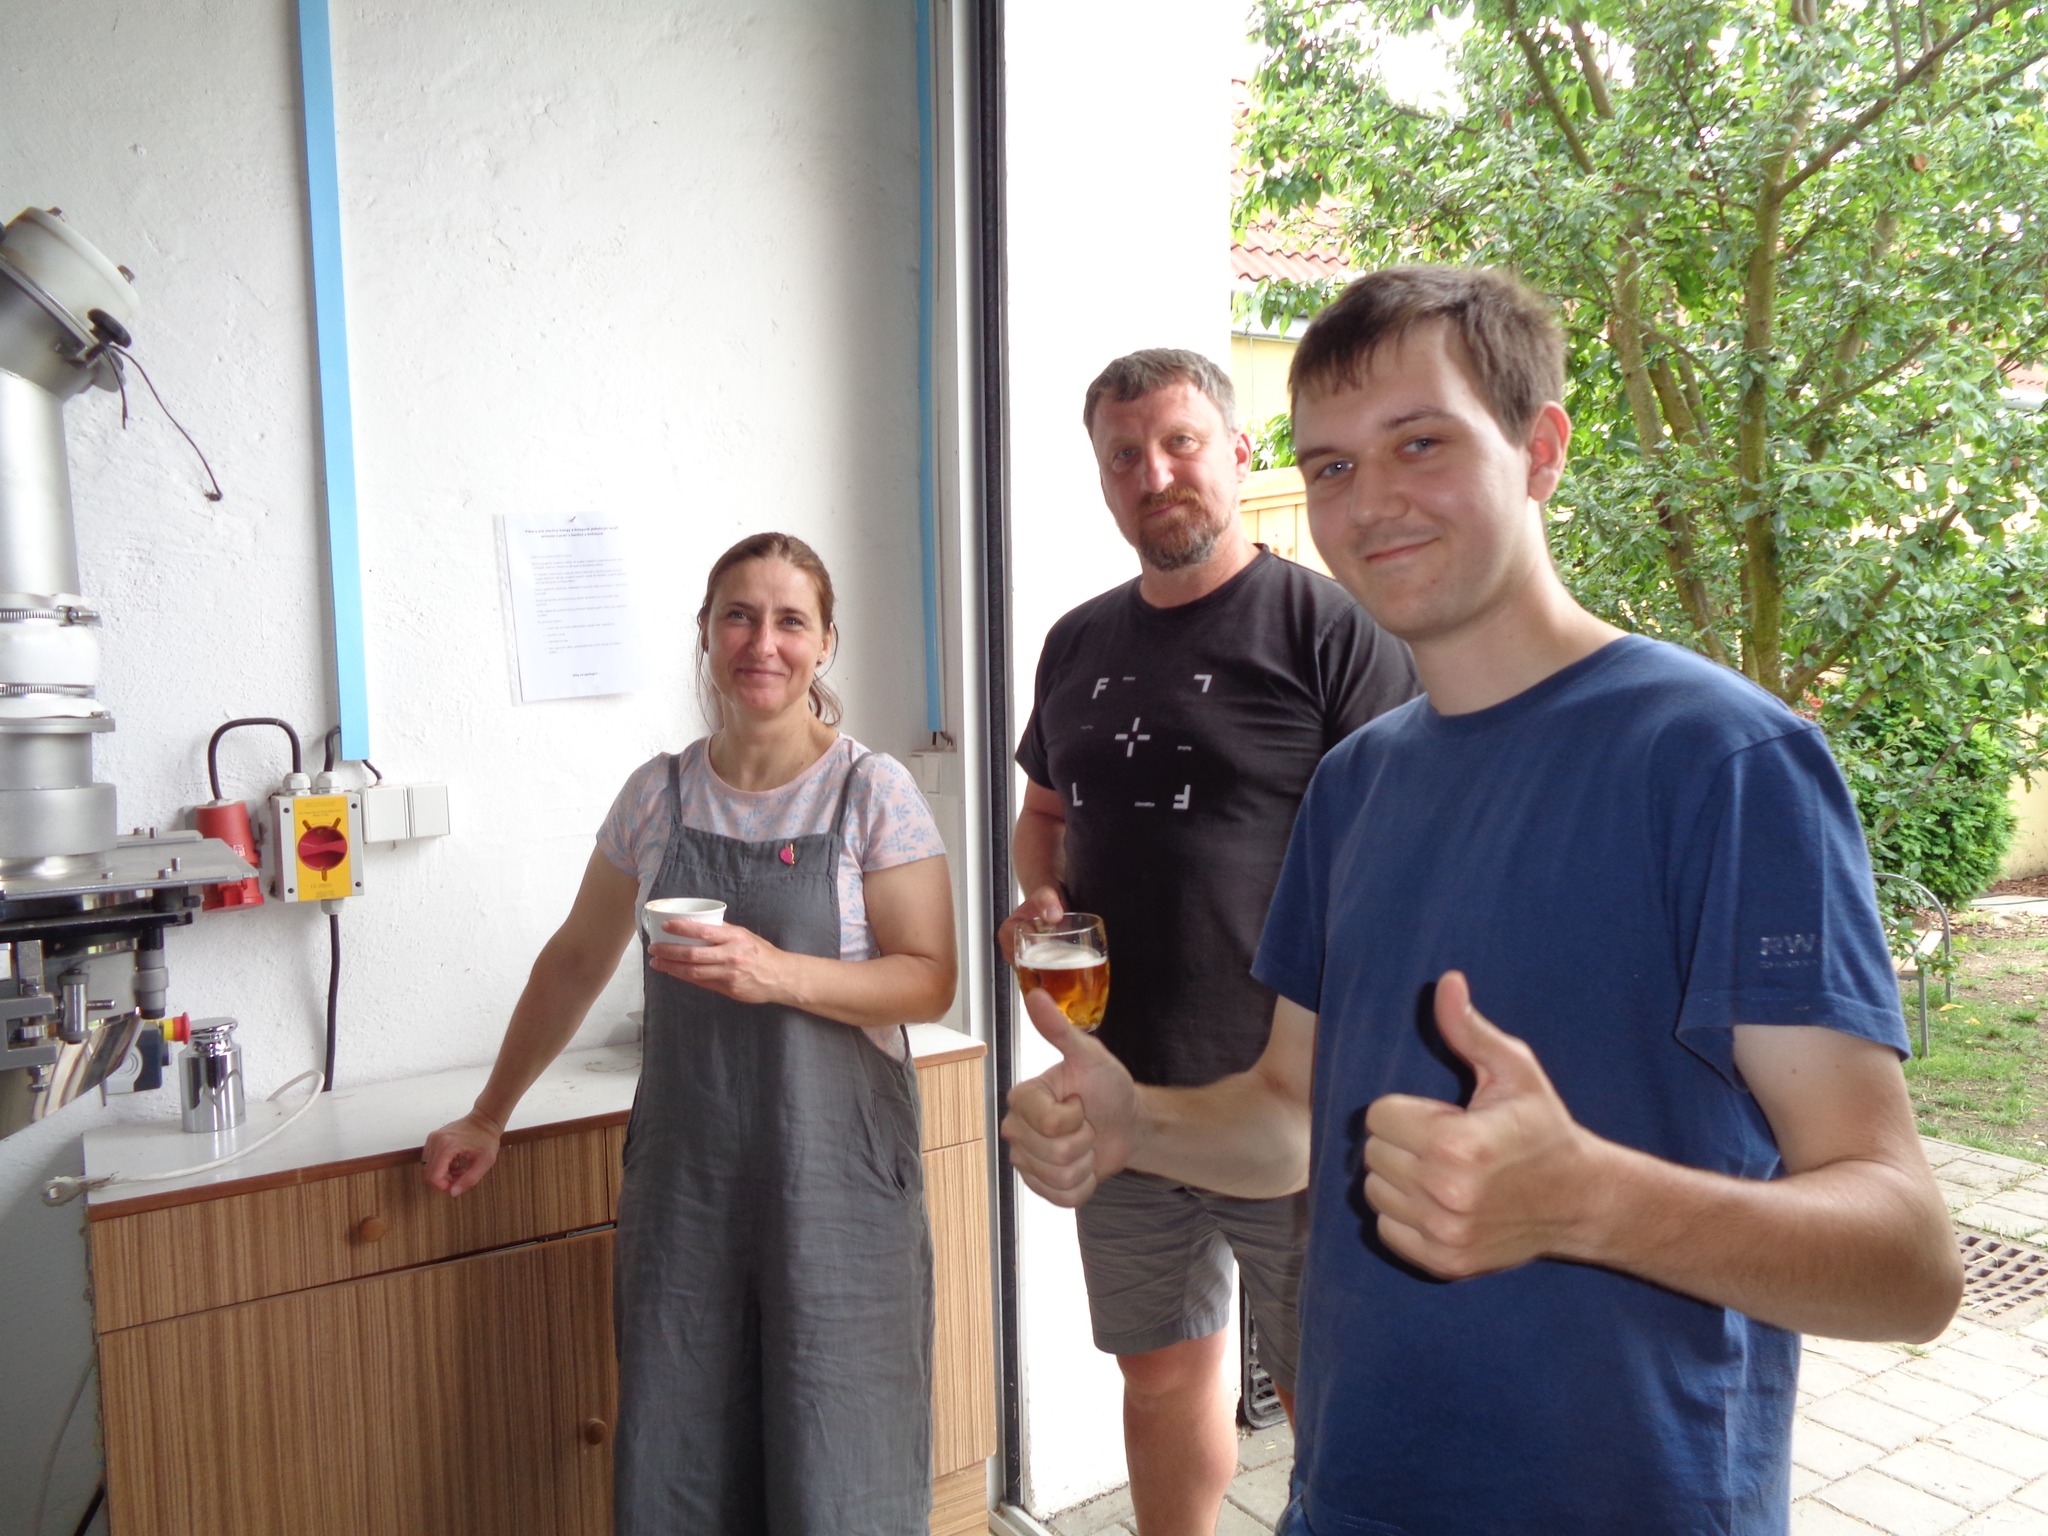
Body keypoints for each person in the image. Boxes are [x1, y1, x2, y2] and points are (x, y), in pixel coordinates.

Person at [1002, 268, 1962, 1535]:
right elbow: (1287, 1119)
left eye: (1420, 443)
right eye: (1331, 465)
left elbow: (1909, 1265)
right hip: (1350, 1496)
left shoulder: (1719, 760)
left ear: (1539, 449)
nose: (1369, 501)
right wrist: (1140, 1125)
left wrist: (1591, 1201)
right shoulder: (1352, 786)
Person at [423, 531, 956, 1536]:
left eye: (790, 620)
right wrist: (488, 1116)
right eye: (738, 617)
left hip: (838, 1184)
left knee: (842, 1446)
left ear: (825, 642)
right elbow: (575, 960)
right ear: (706, 634)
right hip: (688, 1188)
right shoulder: (657, 795)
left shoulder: (868, 792)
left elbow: (929, 980)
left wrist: (775, 972)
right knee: (683, 1447)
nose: (763, 642)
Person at [1003, 348, 1415, 1533]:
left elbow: (1405, 851)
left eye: (1178, 443)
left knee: (1332, 1396)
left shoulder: (1328, 628)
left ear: (1236, 453)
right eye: (1122, 456)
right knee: (1159, 1373)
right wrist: (1040, 895)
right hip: (1117, 1085)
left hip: (1296, 1100)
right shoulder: (1075, 642)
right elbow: (1042, 817)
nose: (1153, 474)